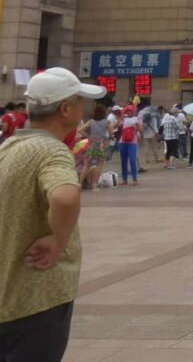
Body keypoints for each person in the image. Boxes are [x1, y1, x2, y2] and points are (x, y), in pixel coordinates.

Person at [0, 67, 104, 361]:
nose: (84, 109)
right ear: (66, 109)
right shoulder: (52, 151)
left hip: (8, 294)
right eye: (80, 101)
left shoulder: (10, 146)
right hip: (38, 299)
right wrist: (58, 240)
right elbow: (66, 196)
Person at [82, 103, 112, 188]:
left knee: (87, 165)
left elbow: (81, 130)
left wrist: (88, 137)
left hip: (92, 143)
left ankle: (79, 183)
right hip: (102, 144)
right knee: (100, 165)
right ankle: (94, 184)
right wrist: (110, 137)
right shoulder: (107, 122)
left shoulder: (91, 121)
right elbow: (111, 133)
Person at [116, 105, 141, 186]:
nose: (129, 112)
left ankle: (135, 179)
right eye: (128, 111)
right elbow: (115, 126)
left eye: (130, 111)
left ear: (133, 112)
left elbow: (141, 130)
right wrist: (121, 118)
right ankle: (124, 179)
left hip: (132, 142)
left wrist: (137, 126)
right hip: (122, 142)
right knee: (123, 161)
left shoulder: (137, 119)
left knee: (132, 160)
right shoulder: (124, 119)